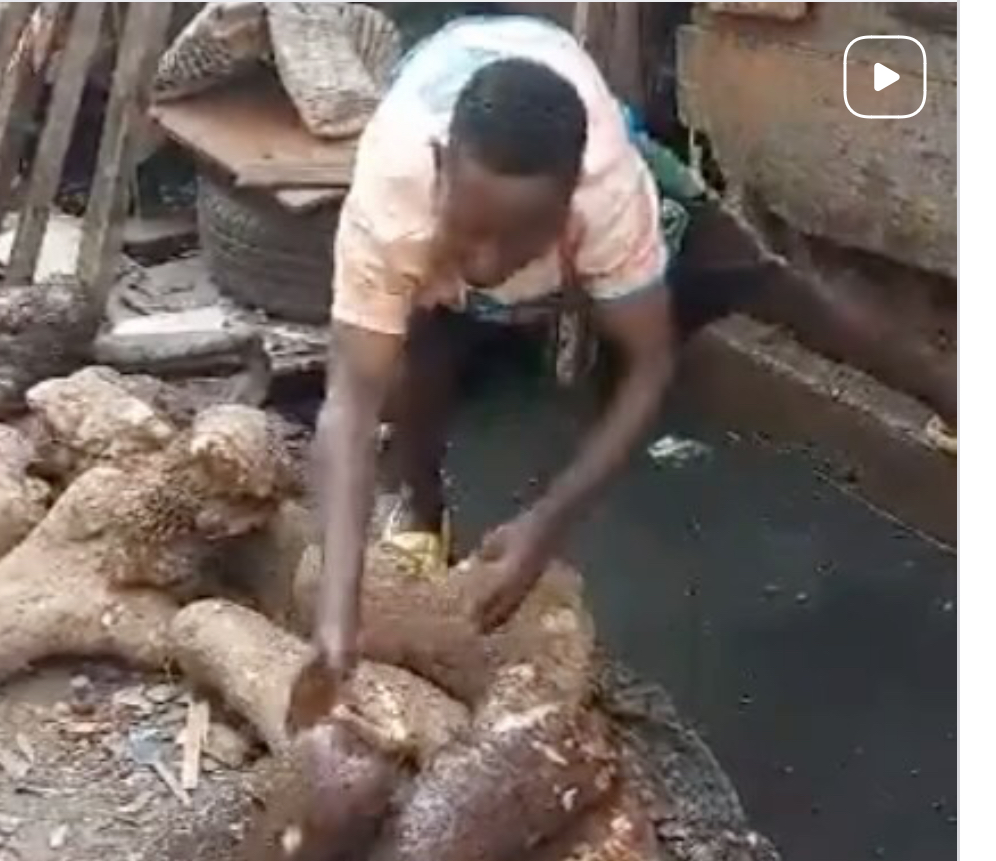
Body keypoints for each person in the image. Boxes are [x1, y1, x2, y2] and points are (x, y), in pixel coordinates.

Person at [303, 15, 956, 699]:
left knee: (776, 287)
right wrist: (335, 612)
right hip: (451, 132)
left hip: (584, 142)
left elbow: (650, 365)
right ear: (440, 172)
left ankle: (954, 393)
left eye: (521, 237)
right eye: (471, 233)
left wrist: (548, 521)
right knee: (414, 354)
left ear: (567, 208)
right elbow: (348, 407)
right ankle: (423, 512)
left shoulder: (611, 191)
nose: (487, 266)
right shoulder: (391, 199)